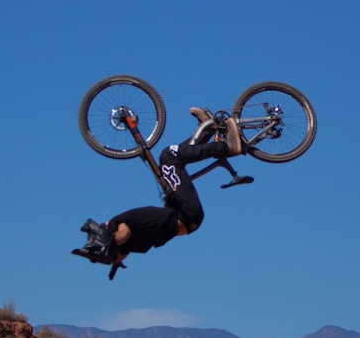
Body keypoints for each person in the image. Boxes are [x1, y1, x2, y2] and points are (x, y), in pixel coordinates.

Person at [75, 110, 242, 273]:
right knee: (168, 156)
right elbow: (123, 235)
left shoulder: (129, 247)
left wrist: (111, 259)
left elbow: (120, 255)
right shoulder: (117, 227)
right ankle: (226, 147)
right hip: (186, 212)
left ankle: (206, 131)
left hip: (183, 215)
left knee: (174, 162)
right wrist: (108, 244)